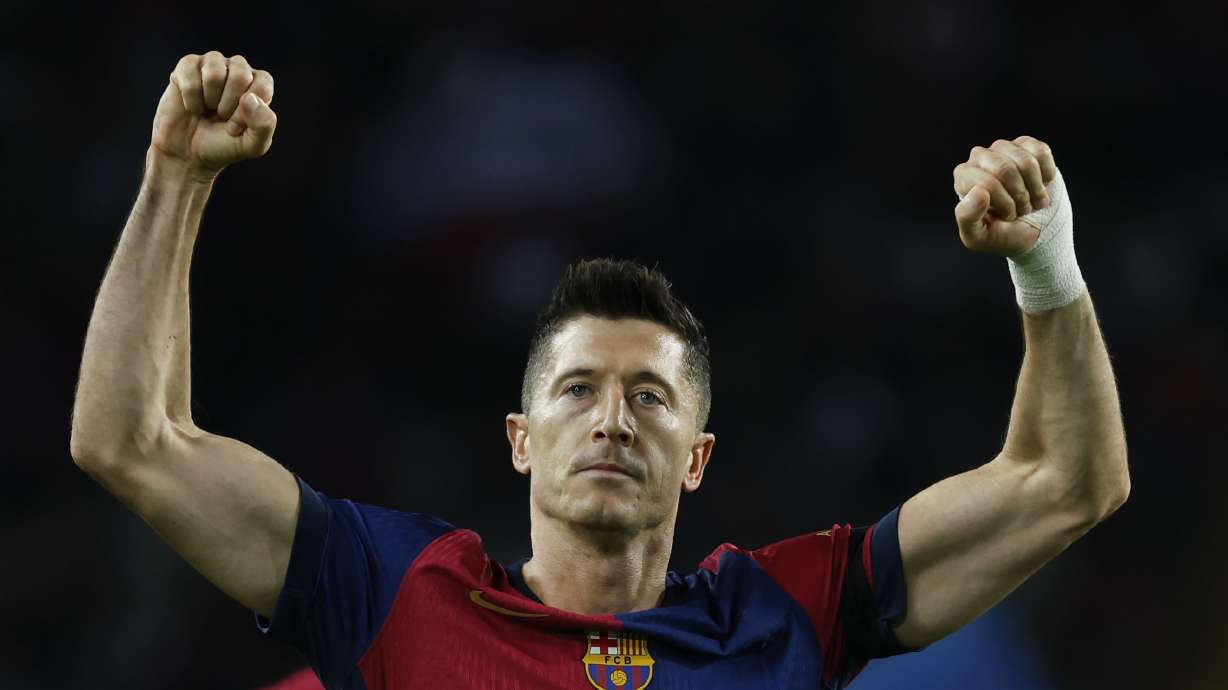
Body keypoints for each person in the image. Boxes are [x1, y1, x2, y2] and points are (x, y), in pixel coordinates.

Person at [70, 51, 1129, 690]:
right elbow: (131, 441)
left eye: (650, 396)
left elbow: (1066, 483)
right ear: (520, 440)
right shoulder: (394, 591)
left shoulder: (788, 613)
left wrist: (1045, 264)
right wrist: (174, 179)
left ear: (698, 457)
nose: (612, 420)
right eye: (576, 389)